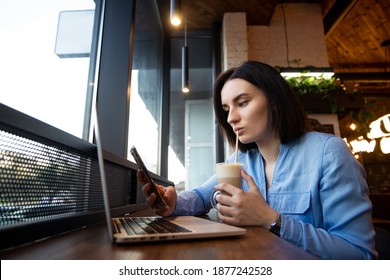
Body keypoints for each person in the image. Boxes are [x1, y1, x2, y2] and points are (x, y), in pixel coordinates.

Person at [137, 60, 377, 259]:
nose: (231, 118)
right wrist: (172, 203)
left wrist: (270, 220)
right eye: (226, 108)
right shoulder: (241, 160)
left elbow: (360, 254)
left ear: (274, 100)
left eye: (242, 103)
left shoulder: (328, 153)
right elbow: (201, 196)